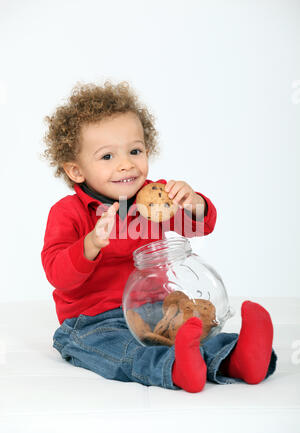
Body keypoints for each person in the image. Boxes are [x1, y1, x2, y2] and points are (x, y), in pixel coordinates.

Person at [41, 80, 277, 393]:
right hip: (93, 320)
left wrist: (194, 203)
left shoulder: (157, 198)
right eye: (107, 157)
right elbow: (58, 274)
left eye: (135, 151)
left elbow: (200, 226)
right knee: (123, 351)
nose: (127, 164)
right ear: (76, 170)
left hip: (154, 307)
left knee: (192, 331)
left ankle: (236, 357)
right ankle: (177, 369)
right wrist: (90, 245)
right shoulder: (68, 212)